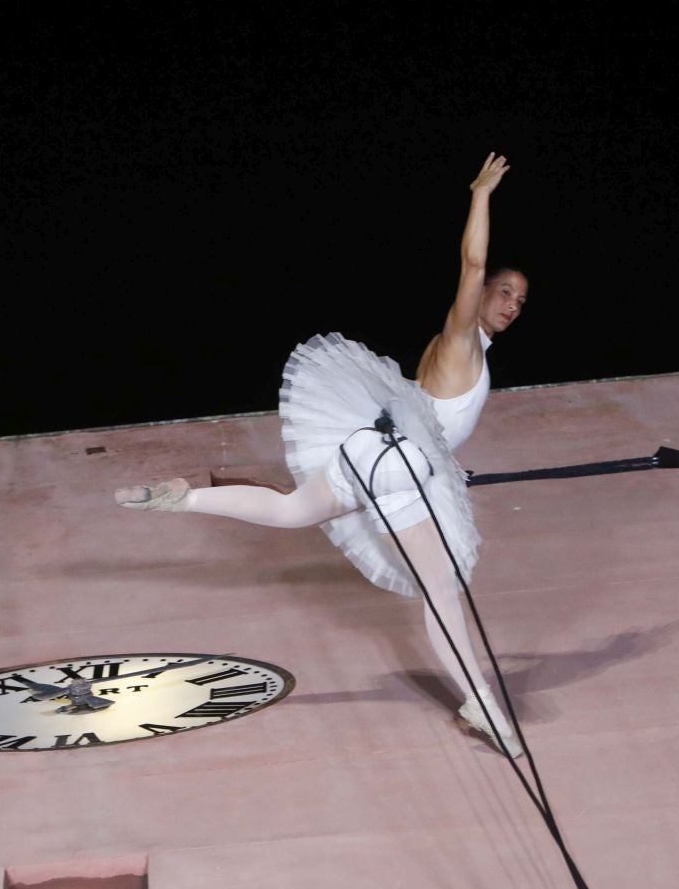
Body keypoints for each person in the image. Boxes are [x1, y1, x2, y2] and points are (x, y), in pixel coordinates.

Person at [117, 154, 529, 757]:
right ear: (486, 292)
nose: (512, 304)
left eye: (521, 300)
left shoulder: (462, 351)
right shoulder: (463, 337)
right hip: (396, 465)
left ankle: (184, 497)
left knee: (291, 512)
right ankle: (481, 704)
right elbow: (470, 264)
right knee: (442, 591)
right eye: (505, 291)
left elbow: (429, 417)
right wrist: (482, 195)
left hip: (368, 450)